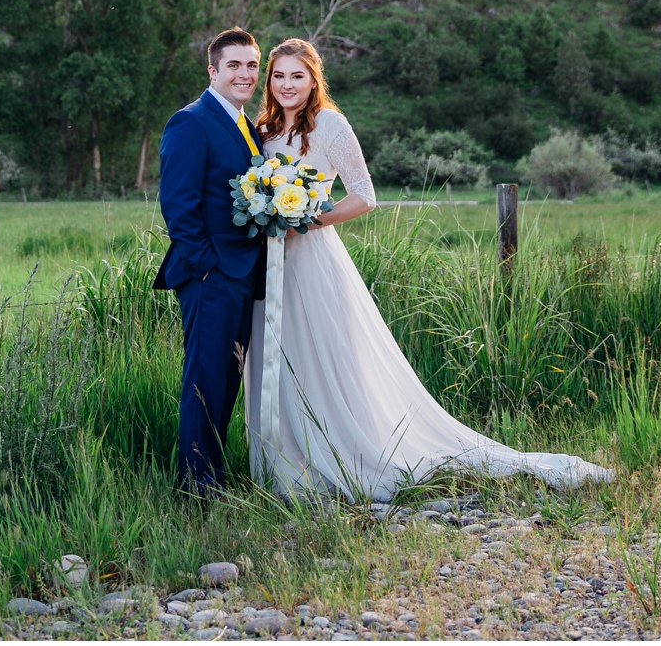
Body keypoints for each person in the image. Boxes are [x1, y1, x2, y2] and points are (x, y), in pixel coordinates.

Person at [244, 38, 614, 500]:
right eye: (278, 76)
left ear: (314, 79)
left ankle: (343, 452)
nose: (286, 84)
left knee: (325, 359)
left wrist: (310, 218)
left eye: (297, 75)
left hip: (314, 257)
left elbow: (364, 194)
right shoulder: (262, 127)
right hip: (271, 263)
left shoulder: (331, 124)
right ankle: (285, 462)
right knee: (280, 357)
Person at [154, 27, 268, 497]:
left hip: (244, 273)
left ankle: (214, 474)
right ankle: (195, 485)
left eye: (251, 66)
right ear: (213, 71)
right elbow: (178, 206)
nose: (245, 74)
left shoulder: (246, 125)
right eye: (234, 65)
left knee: (226, 379)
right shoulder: (191, 122)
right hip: (210, 275)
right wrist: (207, 268)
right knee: (203, 379)